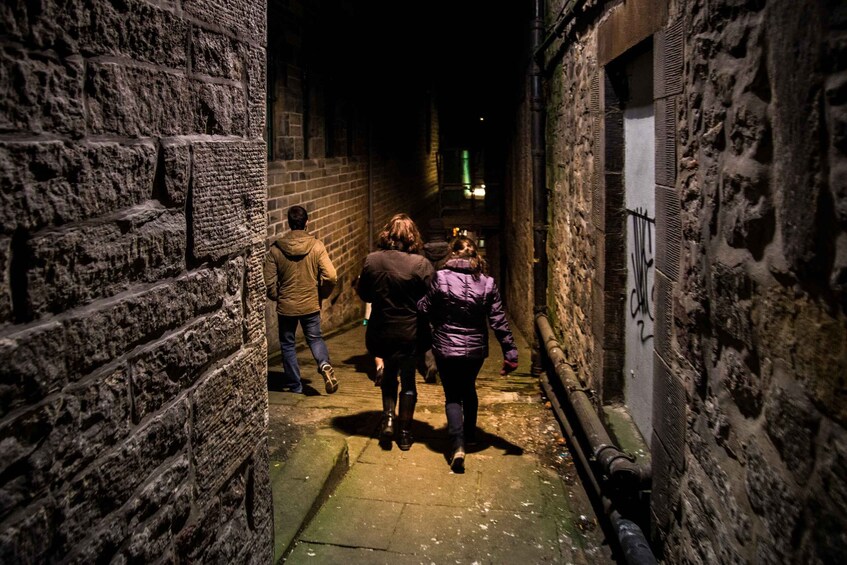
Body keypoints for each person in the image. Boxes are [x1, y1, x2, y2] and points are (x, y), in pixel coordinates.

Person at [417, 235, 518, 472]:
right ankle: (471, 435)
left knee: (452, 395)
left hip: (445, 346)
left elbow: (424, 307)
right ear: (475, 255)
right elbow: (498, 320)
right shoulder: (487, 282)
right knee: (469, 388)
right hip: (475, 350)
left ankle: (458, 444)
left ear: (453, 254)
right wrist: (510, 351)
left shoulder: (440, 278)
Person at [356, 214, 434, 450]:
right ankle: (405, 433)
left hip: (381, 329)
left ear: (387, 234)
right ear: (412, 237)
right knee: (409, 380)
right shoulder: (421, 265)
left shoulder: (372, 261)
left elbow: (365, 295)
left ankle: (388, 420)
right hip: (410, 332)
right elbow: (432, 299)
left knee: (389, 375)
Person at [263, 205, 339, 395]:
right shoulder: (316, 246)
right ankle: (323, 364)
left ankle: (295, 386)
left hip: (286, 306)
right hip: (310, 303)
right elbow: (331, 276)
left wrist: (276, 296)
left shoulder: (276, 249)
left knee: (288, 344)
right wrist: (322, 293)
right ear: (307, 222)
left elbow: (268, 281)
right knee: (315, 338)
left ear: (289, 223)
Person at [419, 218, 450, 383]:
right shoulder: (451, 253)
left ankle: (430, 364)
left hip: (426, 299)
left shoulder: (421, 254)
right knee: (444, 332)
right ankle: (444, 365)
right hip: (446, 300)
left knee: (427, 334)